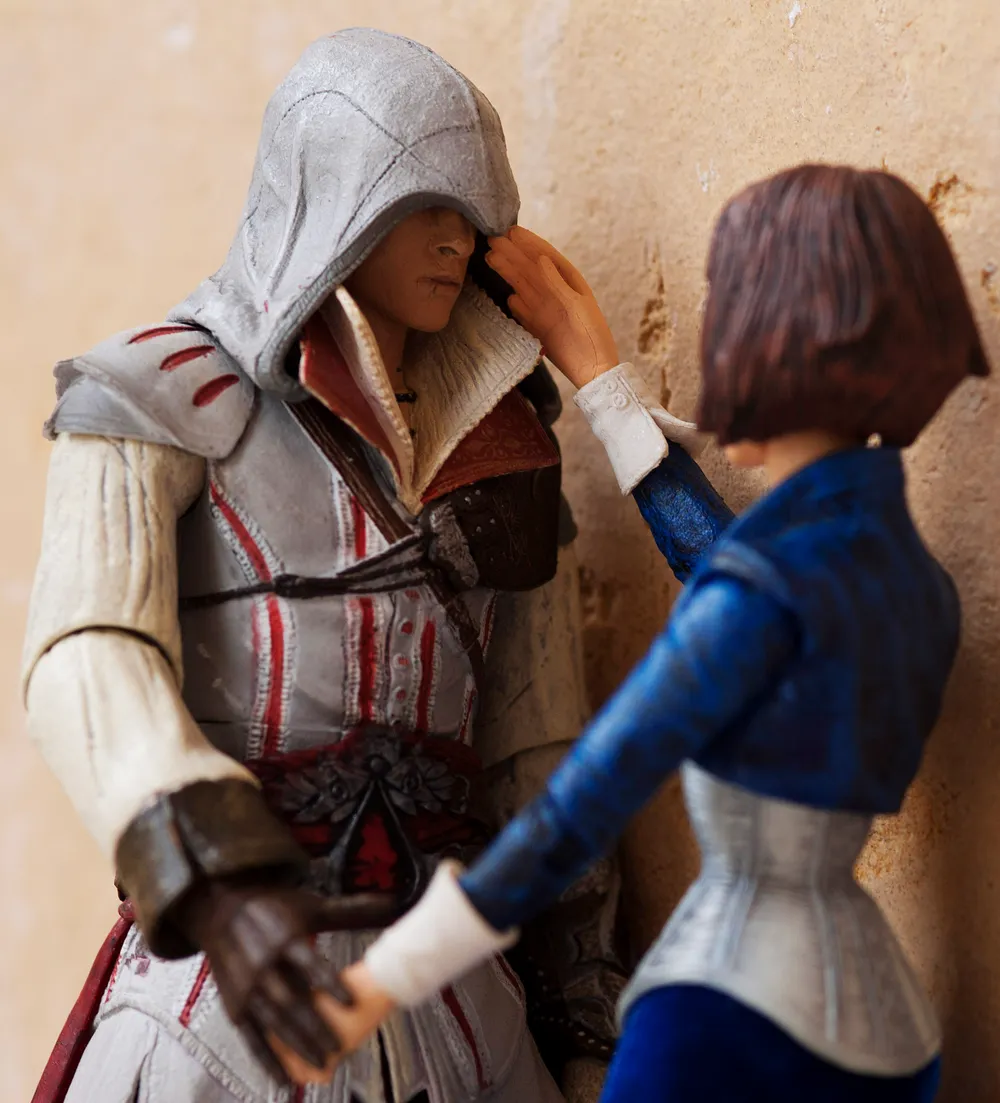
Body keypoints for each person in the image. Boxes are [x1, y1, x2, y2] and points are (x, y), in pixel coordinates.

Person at [21, 28, 700, 1103]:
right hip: (222, 1002)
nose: (454, 237)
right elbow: (86, 656)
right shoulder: (154, 397)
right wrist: (216, 886)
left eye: (470, 214)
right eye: (421, 202)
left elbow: (536, 742)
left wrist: (582, 999)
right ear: (326, 197)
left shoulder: (506, 442)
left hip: (461, 1003)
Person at [318, 165, 990, 1103]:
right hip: (890, 1031)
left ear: (772, 339)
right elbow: (755, 585)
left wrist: (388, 975)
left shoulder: (762, 594)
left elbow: (578, 807)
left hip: (726, 1011)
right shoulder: (916, 587)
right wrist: (603, 381)